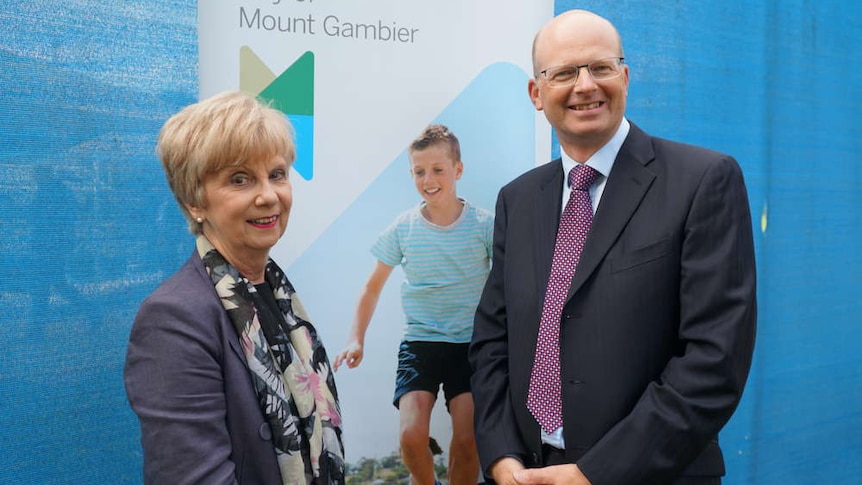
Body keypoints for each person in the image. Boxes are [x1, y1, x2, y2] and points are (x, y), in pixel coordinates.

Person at [469, 9, 756, 485]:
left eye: (600, 68)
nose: (585, 85)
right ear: (536, 94)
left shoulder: (702, 180)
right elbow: (492, 343)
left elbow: (715, 358)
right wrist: (502, 458)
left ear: (624, 77)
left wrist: (592, 474)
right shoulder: (517, 200)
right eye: (563, 73)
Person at [124, 91, 345, 485]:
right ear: (195, 201)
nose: (268, 196)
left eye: (276, 174)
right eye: (239, 180)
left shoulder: (277, 296)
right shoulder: (174, 318)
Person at [333, 125, 492, 485]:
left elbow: (507, 288)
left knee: (467, 442)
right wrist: (356, 338)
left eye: (438, 169)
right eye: (419, 171)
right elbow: (371, 288)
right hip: (420, 345)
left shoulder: (484, 226)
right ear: (411, 174)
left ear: (458, 170)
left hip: (471, 347)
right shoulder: (403, 228)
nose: (428, 179)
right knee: (410, 436)